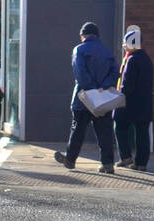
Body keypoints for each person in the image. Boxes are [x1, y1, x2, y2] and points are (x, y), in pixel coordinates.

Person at [53, 21, 118, 175]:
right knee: (105, 131)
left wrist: (91, 88)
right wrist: (103, 87)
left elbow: (80, 72)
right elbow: (115, 72)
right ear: (97, 36)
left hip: (83, 98)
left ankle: (70, 160)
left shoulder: (79, 50)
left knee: (78, 129)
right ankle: (108, 164)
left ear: (83, 35)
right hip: (103, 97)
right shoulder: (107, 52)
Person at [114, 25, 154, 170]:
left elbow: (127, 84)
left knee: (119, 126)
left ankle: (125, 157)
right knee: (142, 133)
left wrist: (119, 97)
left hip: (129, 103)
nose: (124, 46)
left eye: (125, 43)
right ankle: (141, 163)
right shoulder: (147, 59)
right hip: (145, 103)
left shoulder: (131, 60)